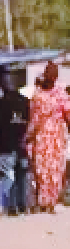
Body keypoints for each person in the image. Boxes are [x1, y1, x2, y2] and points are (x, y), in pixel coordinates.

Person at [24, 62, 70, 214]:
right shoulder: (38, 95)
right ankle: (44, 201)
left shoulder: (59, 94)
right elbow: (34, 119)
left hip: (54, 137)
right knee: (42, 169)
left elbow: (68, 115)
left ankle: (50, 202)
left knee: (54, 169)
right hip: (44, 136)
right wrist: (28, 136)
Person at [0, 67, 30, 215]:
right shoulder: (25, 101)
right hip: (21, 144)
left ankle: (12, 207)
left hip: (6, 146)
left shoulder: (3, 103)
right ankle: (22, 205)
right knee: (21, 176)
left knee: (9, 177)